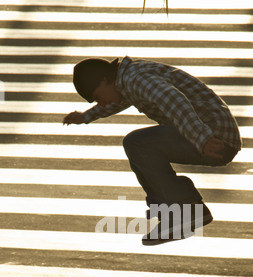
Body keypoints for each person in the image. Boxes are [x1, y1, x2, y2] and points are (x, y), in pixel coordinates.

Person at [63, 56, 241, 246]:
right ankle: (179, 211)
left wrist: (201, 137)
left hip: (214, 137)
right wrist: (87, 116)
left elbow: (175, 101)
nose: (102, 103)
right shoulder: (127, 80)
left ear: (104, 80)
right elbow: (117, 101)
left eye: (98, 97)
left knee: (138, 144)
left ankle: (183, 211)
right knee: (137, 145)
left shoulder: (137, 80)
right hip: (211, 132)